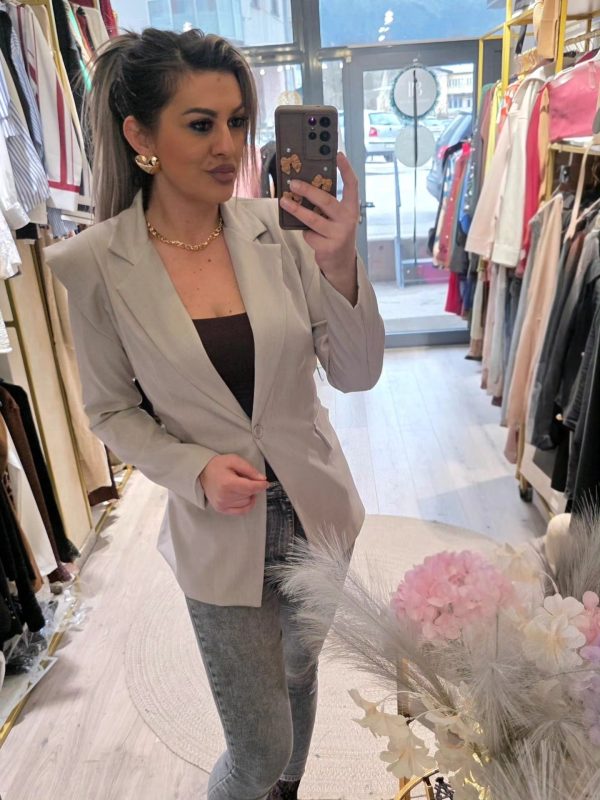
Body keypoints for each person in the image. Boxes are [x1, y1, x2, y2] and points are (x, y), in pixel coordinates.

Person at [46, 28, 385, 800]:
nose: (228, 145)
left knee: (300, 674)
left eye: (237, 121)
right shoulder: (95, 264)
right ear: (141, 137)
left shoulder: (282, 234)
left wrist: (340, 262)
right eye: (201, 124)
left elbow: (357, 374)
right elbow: (110, 410)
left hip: (318, 511)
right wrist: (193, 468)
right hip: (219, 530)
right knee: (258, 749)